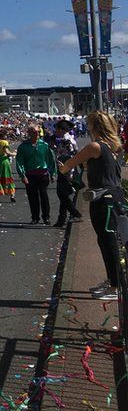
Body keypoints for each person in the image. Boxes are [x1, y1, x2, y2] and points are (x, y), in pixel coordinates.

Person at [60, 111, 125, 300]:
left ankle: (115, 287)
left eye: (89, 124)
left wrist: (63, 167)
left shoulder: (94, 146)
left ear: (94, 126)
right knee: (107, 240)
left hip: (104, 199)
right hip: (111, 197)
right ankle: (114, 280)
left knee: (108, 242)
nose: (87, 128)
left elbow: (69, 164)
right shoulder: (111, 146)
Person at [15, 125, 56, 226]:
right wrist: (22, 175)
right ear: (29, 133)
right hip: (30, 175)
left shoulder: (44, 145)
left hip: (43, 174)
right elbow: (19, 162)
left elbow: (51, 160)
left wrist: (53, 173)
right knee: (32, 197)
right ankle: (35, 217)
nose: (37, 134)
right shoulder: (23, 147)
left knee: (44, 196)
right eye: (34, 132)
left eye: (38, 132)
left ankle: (46, 217)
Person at [50, 119, 82, 227]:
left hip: (66, 169)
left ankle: (75, 213)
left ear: (60, 129)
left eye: (57, 129)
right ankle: (61, 219)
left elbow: (71, 155)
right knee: (63, 194)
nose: (55, 131)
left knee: (62, 194)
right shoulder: (67, 139)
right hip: (66, 168)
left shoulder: (66, 140)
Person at [0, 130, 16, 203]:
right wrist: (14, 153)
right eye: (5, 135)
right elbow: (7, 152)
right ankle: (12, 195)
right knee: (7, 176)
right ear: (3, 136)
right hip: (3, 161)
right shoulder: (4, 142)